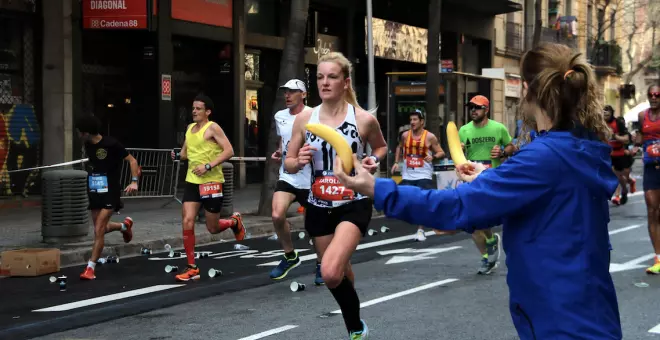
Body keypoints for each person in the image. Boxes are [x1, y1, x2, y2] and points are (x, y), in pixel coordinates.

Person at [334, 43, 622, 339]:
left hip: (562, 324)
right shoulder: (578, 148)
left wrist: (374, 187)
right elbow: (548, 193)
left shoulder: (544, 157)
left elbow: (455, 207)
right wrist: (490, 177)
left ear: (527, 90)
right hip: (588, 315)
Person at [285, 52, 387, 339]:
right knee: (341, 271)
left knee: (329, 272)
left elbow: (380, 148)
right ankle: (355, 322)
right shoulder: (305, 118)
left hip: (353, 202)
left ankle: (355, 328)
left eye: (332, 77)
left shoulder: (362, 119)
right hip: (318, 205)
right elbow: (289, 163)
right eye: (320, 77)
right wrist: (299, 159)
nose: (325, 82)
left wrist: (372, 162)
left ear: (345, 82)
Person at [172, 94, 246, 282]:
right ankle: (192, 266)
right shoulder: (189, 129)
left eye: (198, 109)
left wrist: (208, 166)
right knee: (187, 220)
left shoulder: (213, 128)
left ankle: (233, 222)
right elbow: (184, 154)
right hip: (192, 181)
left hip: (211, 182)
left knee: (212, 227)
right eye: (193, 108)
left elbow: (229, 151)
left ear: (208, 112)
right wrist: (176, 155)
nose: (194, 111)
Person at [268, 79, 324, 285]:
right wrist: (280, 151)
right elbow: (284, 139)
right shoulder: (279, 116)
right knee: (276, 214)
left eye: (292, 92)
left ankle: (321, 264)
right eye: (285, 92)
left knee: (314, 227)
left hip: (310, 178)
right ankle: (290, 255)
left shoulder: (314, 115)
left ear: (303, 94)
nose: (287, 95)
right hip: (288, 175)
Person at [77, 115, 139, 280]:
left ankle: (90, 268)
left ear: (86, 132)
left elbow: (132, 161)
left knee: (98, 230)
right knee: (101, 228)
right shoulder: (87, 144)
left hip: (110, 191)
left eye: (79, 131)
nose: (77, 134)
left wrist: (134, 182)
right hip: (94, 190)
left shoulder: (112, 144)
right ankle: (124, 226)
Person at [459, 95, 515, 274]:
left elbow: (512, 146)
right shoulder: (464, 130)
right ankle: (486, 256)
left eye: (477, 107)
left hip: (492, 177)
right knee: (472, 220)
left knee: (482, 217)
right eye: (471, 108)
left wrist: (502, 152)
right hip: (472, 178)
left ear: (486, 110)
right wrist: (458, 152)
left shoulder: (498, 128)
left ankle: (491, 241)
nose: (473, 111)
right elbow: (458, 154)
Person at [391, 109, 445, 241]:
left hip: (424, 174)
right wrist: (396, 162)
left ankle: (420, 230)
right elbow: (399, 147)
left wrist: (433, 156)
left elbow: (441, 152)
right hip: (408, 175)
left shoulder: (430, 137)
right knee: (402, 199)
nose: (412, 122)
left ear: (422, 122)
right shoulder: (405, 135)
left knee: (421, 202)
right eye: (411, 120)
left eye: (415, 120)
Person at [635, 83, 660, 275]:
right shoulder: (642, 116)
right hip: (651, 167)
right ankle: (658, 258)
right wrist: (635, 146)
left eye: (657, 94)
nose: (653, 97)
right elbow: (641, 136)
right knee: (653, 211)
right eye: (650, 94)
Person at [604, 105, 634, 205]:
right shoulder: (600, 123)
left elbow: (626, 138)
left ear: (611, 113)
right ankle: (613, 195)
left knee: (619, 176)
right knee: (610, 174)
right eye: (603, 113)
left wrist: (615, 136)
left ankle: (624, 190)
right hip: (606, 153)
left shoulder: (618, 123)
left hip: (619, 153)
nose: (605, 115)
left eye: (607, 113)